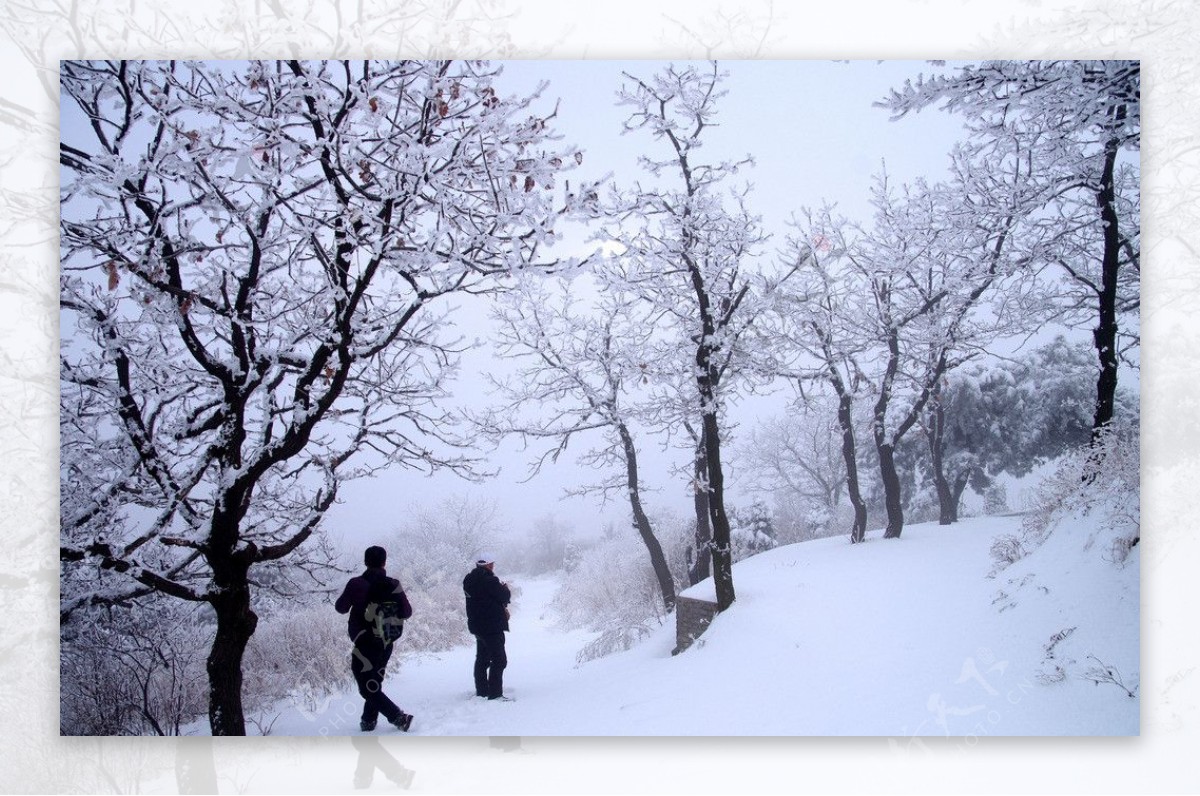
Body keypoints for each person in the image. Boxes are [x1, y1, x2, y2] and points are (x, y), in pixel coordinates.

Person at [336, 545, 414, 732]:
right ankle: (368, 721)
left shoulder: (356, 584)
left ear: (365, 561)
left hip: (364, 641)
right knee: (374, 682)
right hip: (386, 640)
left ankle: (398, 717)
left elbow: (341, 607)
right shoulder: (393, 584)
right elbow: (407, 612)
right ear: (384, 562)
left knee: (366, 687)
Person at [463, 554, 512, 700]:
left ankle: (482, 691)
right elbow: (504, 597)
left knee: (482, 659)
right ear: (488, 565)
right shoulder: (490, 580)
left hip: (477, 626)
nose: (493, 567)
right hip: (492, 626)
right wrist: (505, 589)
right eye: (492, 564)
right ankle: (495, 694)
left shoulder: (468, 580)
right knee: (499, 660)